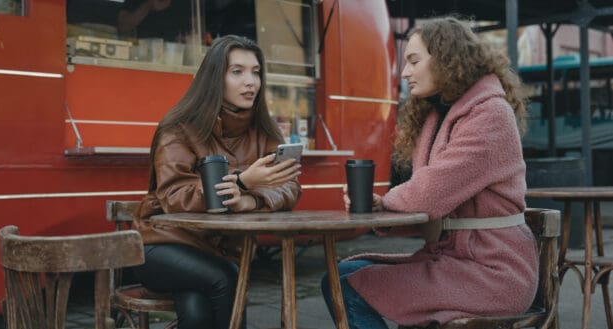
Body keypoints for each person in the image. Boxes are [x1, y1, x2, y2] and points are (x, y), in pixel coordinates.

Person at [321, 16, 536, 328]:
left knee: (344, 284)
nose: (405, 72)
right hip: (455, 260)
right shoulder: (440, 114)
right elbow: (433, 205)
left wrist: (385, 202)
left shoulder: (490, 114)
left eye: (413, 61)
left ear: (447, 59)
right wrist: (382, 209)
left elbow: (429, 194)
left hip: (493, 272)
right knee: (341, 274)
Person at [133, 35, 302, 329]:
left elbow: (290, 186)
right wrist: (242, 181)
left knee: (198, 312)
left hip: (217, 251)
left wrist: (250, 200)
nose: (250, 81)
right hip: (161, 245)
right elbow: (175, 196)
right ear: (215, 77)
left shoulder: (264, 130)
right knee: (226, 278)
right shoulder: (178, 127)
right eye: (237, 72)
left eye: (256, 71)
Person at [117, 0, 190, 40]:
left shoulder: (188, 3)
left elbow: (198, 32)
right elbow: (123, 27)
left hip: (177, 56)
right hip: (142, 55)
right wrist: (149, 5)